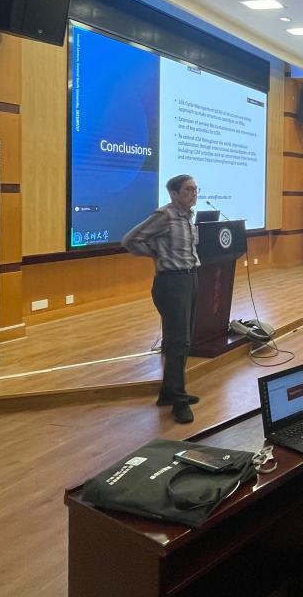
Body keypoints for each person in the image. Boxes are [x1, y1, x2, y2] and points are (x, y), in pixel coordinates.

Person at [121, 174, 201, 424]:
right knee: (178, 342)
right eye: (188, 190)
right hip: (172, 282)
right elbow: (130, 240)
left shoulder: (189, 216)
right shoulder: (165, 215)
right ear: (174, 194)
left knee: (183, 340)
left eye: (195, 189)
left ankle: (168, 392)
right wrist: (156, 254)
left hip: (190, 278)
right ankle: (178, 401)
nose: (194, 193)